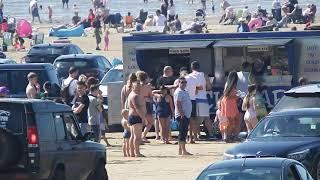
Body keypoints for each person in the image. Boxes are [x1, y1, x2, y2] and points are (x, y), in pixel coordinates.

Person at [186, 61, 213, 140]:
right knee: (206, 118)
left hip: (193, 99)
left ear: (191, 67)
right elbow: (209, 87)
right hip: (203, 99)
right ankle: (211, 134)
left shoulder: (188, 77)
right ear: (199, 67)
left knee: (194, 119)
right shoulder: (204, 75)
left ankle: (197, 135)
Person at [174, 77, 192, 155]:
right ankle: (183, 150)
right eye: (182, 82)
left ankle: (181, 150)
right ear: (179, 83)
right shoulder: (179, 92)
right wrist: (181, 113)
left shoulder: (185, 91)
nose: (184, 84)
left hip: (186, 114)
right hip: (182, 115)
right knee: (182, 132)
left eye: (185, 82)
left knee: (183, 132)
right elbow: (178, 103)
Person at [220, 71, 240, 142]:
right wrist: (238, 96)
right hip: (230, 102)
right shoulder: (233, 84)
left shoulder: (228, 84)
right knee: (235, 120)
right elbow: (231, 95)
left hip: (226, 102)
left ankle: (227, 136)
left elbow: (227, 94)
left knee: (230, 121)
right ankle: (234, 136)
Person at [128, 81, 146, 157]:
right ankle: (137, 152)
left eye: (139, 87)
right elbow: (137, 108)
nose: (139, 88)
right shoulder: (134, 96)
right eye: (137, 87)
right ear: (133, 87)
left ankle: (132, 152)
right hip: (136, 116)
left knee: (133, 136)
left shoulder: (131, 94)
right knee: (137, 136)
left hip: (132, 116)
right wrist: (143, 117)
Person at [137, 71, 153, 143]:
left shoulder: (137, 86)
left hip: (139, 104)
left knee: (140, 122)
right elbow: (150, 96)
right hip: (146, 103)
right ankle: (143, 136)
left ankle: (140, 137)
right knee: (150, 122)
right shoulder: (148, 86)